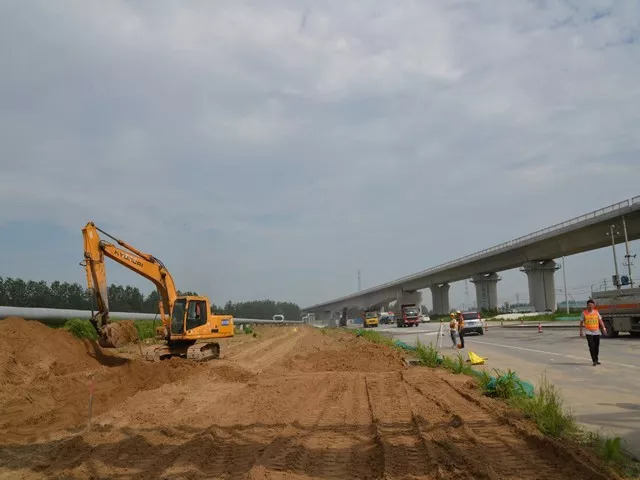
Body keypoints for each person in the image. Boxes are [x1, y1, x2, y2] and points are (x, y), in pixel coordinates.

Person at [580, 299, 607, 366]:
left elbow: (600, 321)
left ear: (593, 306)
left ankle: (596, 359)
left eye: (591, 305)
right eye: (589, 305)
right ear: (587, 306)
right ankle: (594, 360)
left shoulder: (596, 312)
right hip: (588, 332)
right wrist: (581, 331)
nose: (590, 306)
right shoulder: (584, 313)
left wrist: (604, 328)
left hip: (596, 332)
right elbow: (581, 322)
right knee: (591, 346)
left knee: (596, 347)